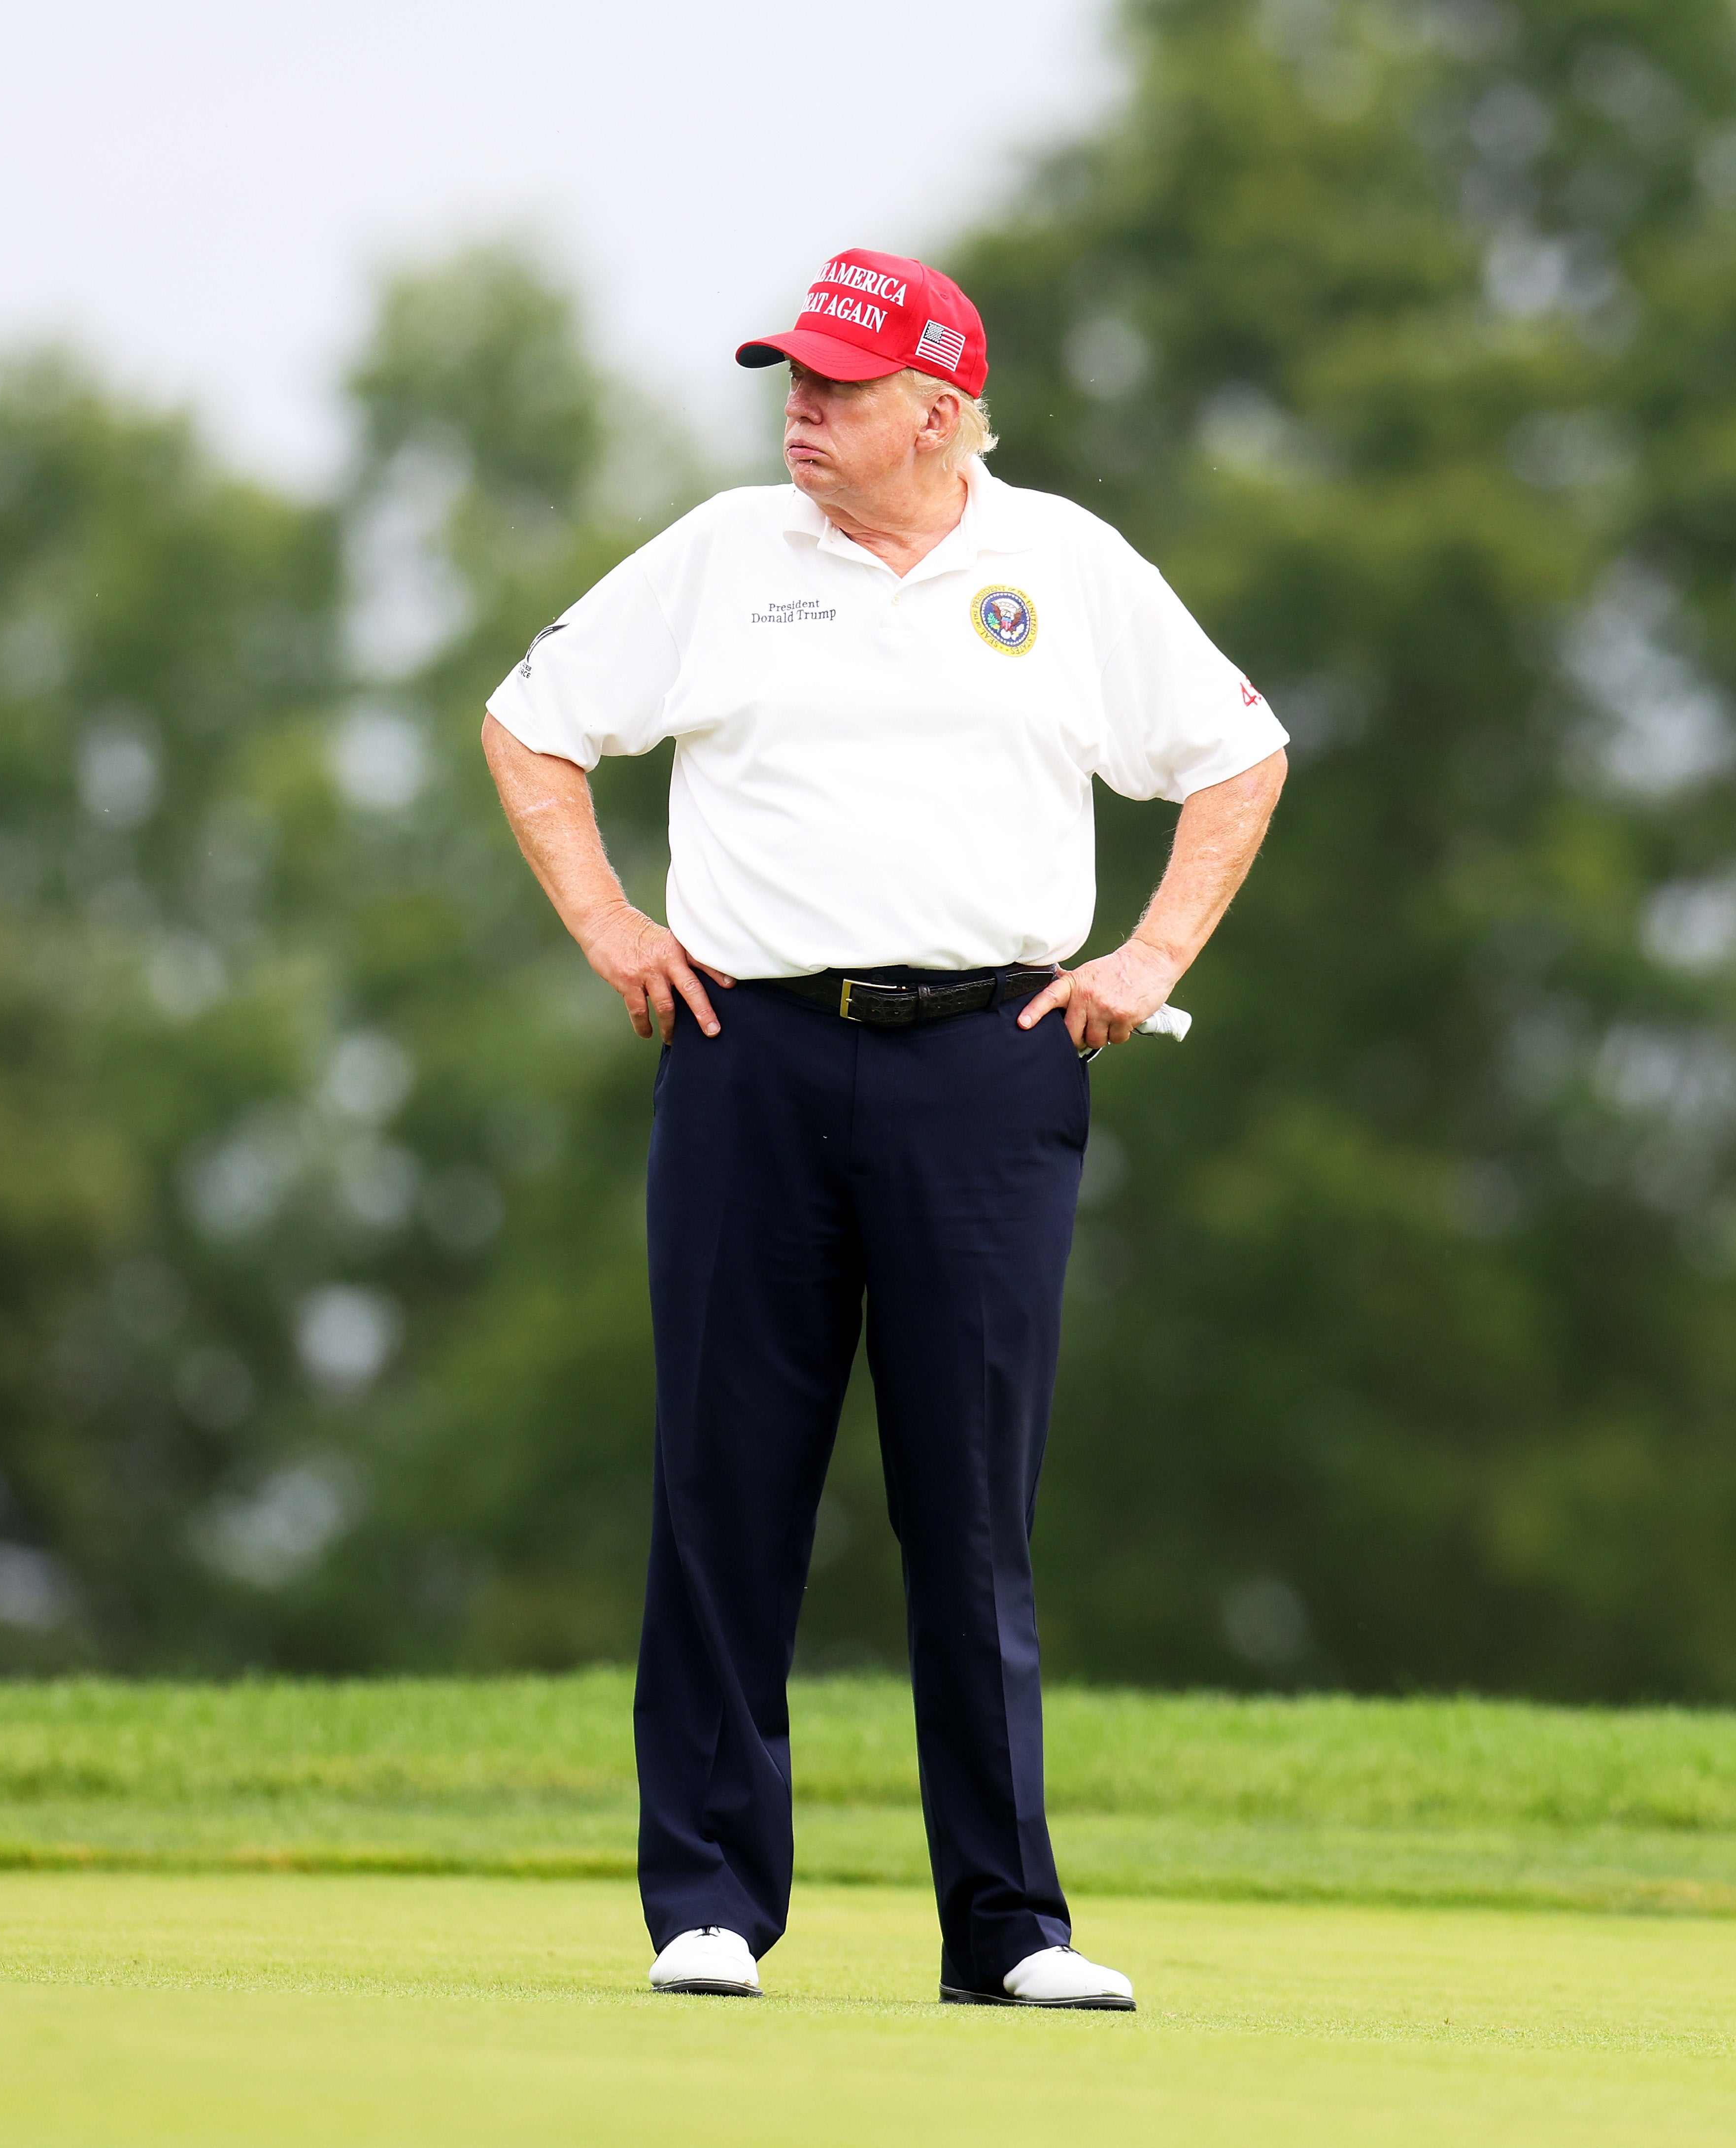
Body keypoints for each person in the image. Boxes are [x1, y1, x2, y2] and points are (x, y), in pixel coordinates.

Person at [480, 247, 1287, 2010]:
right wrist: (614, 927)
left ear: (941, 406)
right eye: (797, 381)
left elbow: (1238, 756)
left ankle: (1008, 1930)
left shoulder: (1061, 565)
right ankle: (707, 1904)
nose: (806, 412)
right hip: (749, 1054)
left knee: (971, 1508)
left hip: (990, 1067)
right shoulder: (721, 553)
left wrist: (1147, 957)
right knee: (727, 1488)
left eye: (840, 387)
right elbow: (532, 726)